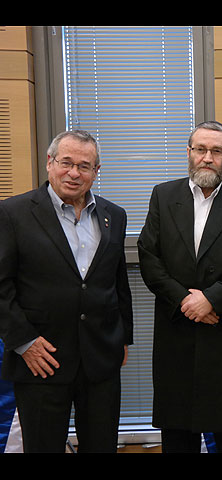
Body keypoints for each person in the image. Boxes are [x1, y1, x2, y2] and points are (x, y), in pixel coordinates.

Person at [137, 121, 222, 453]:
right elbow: (149, 257)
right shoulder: (163, 195)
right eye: (201, 149)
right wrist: (187, 301)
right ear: (189, 153)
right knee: (178, 432)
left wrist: (211, 300)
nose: (207, 158)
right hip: (176, 333)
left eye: (216, 151)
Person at [0, 130, 133, 453]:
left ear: (95, 172)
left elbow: (118, 281)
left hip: (100, 358)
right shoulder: (13, 213)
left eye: (85, 166)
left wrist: (124, 337)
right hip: (41, 358)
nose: (74, 173)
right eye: (66, 163)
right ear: (50, 163)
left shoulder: (113, 216)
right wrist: (24, 342)